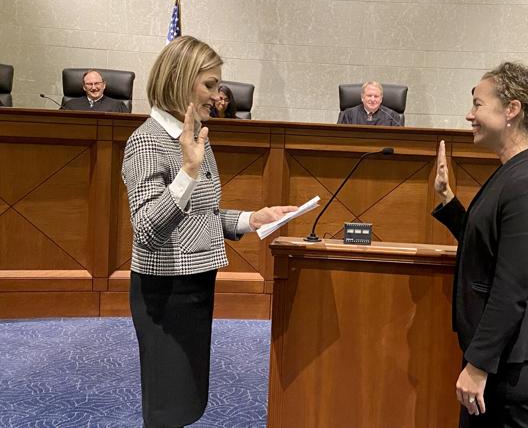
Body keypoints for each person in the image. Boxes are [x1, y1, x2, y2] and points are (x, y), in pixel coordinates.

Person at [121, 36, 296, 428]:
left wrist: (252, 219)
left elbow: (200, 214)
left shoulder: (195, 136)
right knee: (168, 403)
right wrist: (186, 171)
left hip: (196, 282)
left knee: (186, 397)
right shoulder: (147, 142)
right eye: (210, 84)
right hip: (164, 290)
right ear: (181, 81)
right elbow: (147, 227)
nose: (219, 95)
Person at [431, 62, 528, 428]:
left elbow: (512, 286)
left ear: (512, 110)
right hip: (500, 354)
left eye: (478, 104)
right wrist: (448, 201)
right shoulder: (514, 171)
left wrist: (478, 365)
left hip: (509, 360)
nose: (469, 114)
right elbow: (491, 249)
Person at [61, 70, 129, 113]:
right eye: (89, 84)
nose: (93, 87)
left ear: (104, 85)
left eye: (97, 83)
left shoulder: (118, 106)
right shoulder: (70, 106)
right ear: (84, 87)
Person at [337, 81, 402, 126]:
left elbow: (399, 140)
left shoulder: (393, 117)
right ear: (362, 97)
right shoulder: (348, 115)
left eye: (376, 96)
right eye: (369, 96)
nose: (372, 99)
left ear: (381, 99)